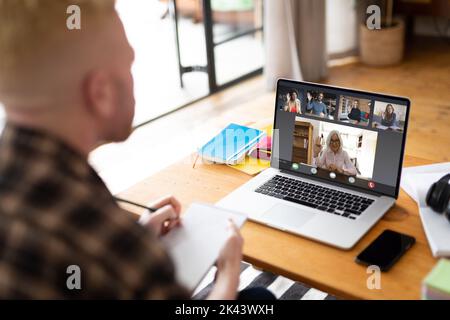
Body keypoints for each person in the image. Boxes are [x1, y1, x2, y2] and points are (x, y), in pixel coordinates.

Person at [0, 0, 254, 300]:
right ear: (101, 94)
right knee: (257, 301)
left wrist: (139, 235)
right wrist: (228, 272)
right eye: (129, 64)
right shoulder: (107, 239)